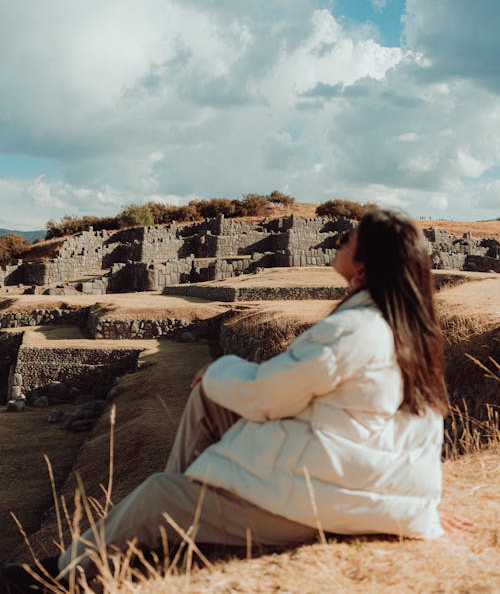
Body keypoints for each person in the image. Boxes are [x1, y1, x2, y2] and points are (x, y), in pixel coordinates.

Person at [1, 208, 472, 591]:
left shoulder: (356, 329)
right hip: (355, 480)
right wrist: (417, 506)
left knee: (157, 494)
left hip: (326, 498)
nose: (337, 242)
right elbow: (419, 436)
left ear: (365, 263)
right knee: (214, 401)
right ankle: (191, 506)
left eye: (348, 238)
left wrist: (220, 370)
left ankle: (56, 577)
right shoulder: (414, 331)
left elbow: (268, 394)